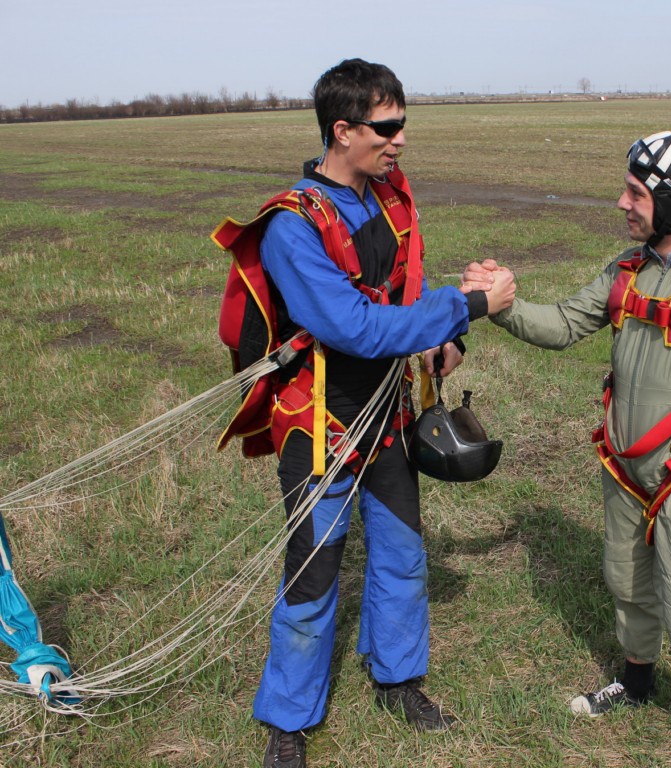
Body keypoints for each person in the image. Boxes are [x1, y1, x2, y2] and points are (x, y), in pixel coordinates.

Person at [462, 131, 671, 768]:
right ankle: (638, 680)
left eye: (636, 194)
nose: (622, 203)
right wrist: (500, 304)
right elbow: (564, 324)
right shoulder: (629, 269)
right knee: (627, 584)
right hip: (624, 471)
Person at [224, 59, 515, 768]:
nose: (400, 140)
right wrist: (470, 305)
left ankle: (398, 680)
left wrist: (444, 340)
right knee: (313, 571)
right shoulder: (292, 225)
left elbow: (404, 292)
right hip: (321, 424)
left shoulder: (388, 200)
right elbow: (351, 326)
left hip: (389, 415)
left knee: (402, 554)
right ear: (342, 130)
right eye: (386, 128)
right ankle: (288, 721)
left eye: (402, 124)